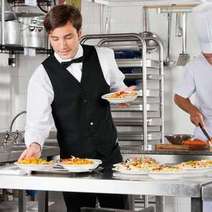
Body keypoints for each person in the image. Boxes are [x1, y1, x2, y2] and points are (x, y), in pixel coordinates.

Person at [18, 4, 134, 212]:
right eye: (55, 39)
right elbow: (37, 120)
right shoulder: (42, 75)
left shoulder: (104, 56)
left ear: (80, 33)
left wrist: (125, 94)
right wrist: (34, 145)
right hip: (73, 162)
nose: (62, 45)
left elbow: (118, 87)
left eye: (68, 37)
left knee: (119, 210)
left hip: (110, 157)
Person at [174, 2, 212, 142]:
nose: (210, 60)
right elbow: (179, 97)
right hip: (206, 135)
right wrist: (192, 110)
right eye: (207, 56)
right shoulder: (195, 65)